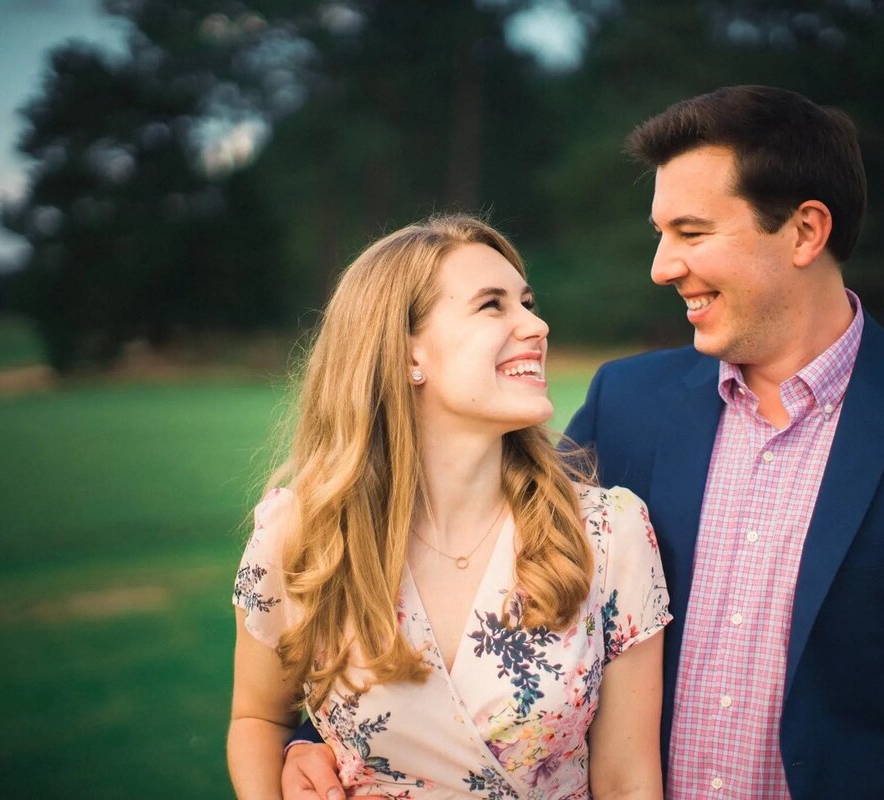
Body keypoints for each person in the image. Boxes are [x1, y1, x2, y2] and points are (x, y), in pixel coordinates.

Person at [283, 86, 884, 799]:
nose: (661, 267)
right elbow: (444, 559)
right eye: (660, 234)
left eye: (691, 232)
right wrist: (305, 735)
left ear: (806, 231)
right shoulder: (629, 403)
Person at [228, 215, 670, 800]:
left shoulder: (608, 533)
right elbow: (258, 720)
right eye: (493, 305)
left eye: (528, 302)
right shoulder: (301, 534)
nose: (536, 324)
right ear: (408, 352)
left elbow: (628, 779)